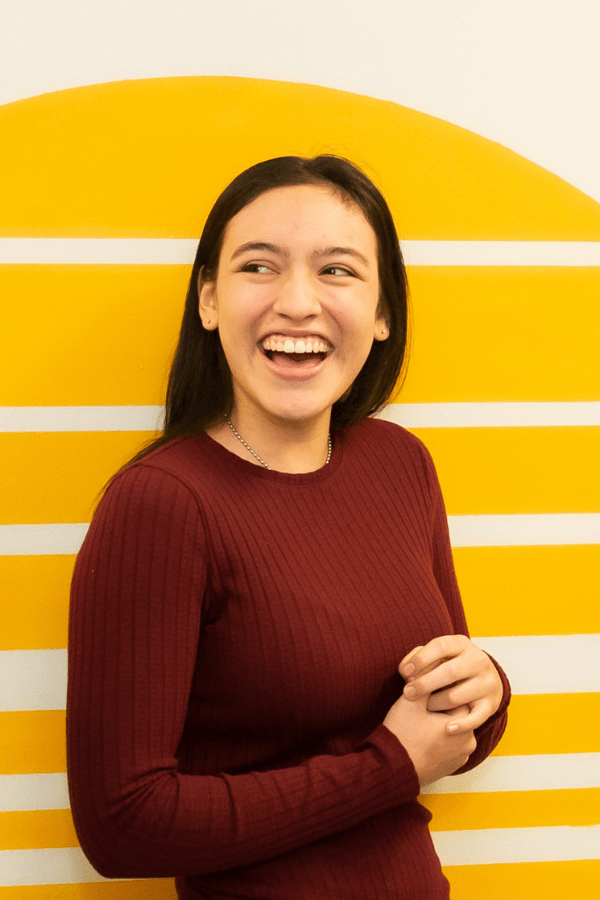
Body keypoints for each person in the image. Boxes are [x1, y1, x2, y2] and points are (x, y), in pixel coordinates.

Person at [67, 155, 510, 900]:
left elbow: (445, 728)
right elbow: (121, 825)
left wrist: (485, 688)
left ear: (383, 312)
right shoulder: (161, 505)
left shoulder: (400, 463)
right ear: (209, 300)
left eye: (337, 270)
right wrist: (389, 766)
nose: (298, 303)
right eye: (258, 267)